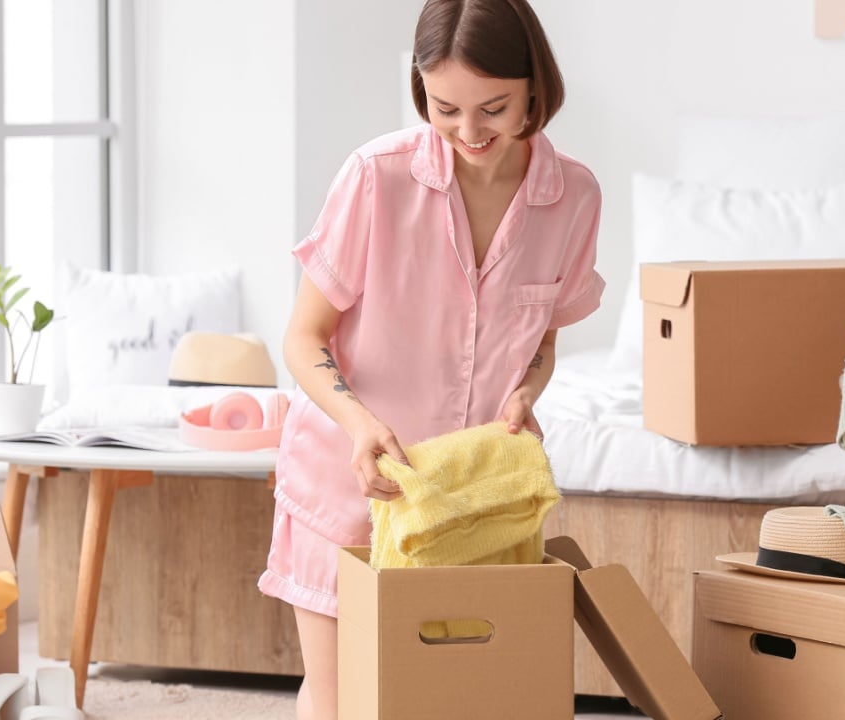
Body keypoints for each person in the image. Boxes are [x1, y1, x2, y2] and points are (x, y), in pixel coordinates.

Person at [256, 0, 605, 717]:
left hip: (458, 503)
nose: (470, 132)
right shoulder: (375, 179)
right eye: (445, 108)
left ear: (536, 88)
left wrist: (525, 396)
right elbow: (303, 336)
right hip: (347, 487)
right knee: (347, 704)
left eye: (495, 108)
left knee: (440, 701)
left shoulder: (572, 197)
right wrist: (359, 425)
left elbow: (542, 339)